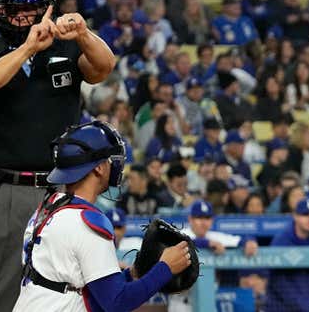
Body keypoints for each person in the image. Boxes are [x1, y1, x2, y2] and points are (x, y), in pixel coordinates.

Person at [0, 0, 116, 311]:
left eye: (29, 11)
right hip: (11, 187)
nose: (22, 18)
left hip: (65, 188)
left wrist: (83, 33)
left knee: (65, 286)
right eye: (14, 11)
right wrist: (28, 48)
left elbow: (103, 68)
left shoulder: (68, 47)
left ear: (46, 10)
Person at [13, 121, 191, 311]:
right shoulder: (86, 222)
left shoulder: (49, 206)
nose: (115, 164)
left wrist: (132, 274)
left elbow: (83, 288)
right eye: (110, 159)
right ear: (98, 168)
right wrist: (165, 268)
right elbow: (117, 303)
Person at [170, 199, 258, 311]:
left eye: (207, 218)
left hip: (208, 301)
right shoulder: (179, 234)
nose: (203, 222)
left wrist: (249, 242)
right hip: (182, 303)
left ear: (212, 221)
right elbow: (184, 242)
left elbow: (241, 240)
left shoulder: (215, 237)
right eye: (199, 218)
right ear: (190, 219)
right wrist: (207, 243)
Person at [266, 197, 309, 311]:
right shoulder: (282, 239)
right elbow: (277, 279)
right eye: (305, 215)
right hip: (279, 305)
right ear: (295, 216)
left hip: (307, 303)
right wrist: (299, 303)